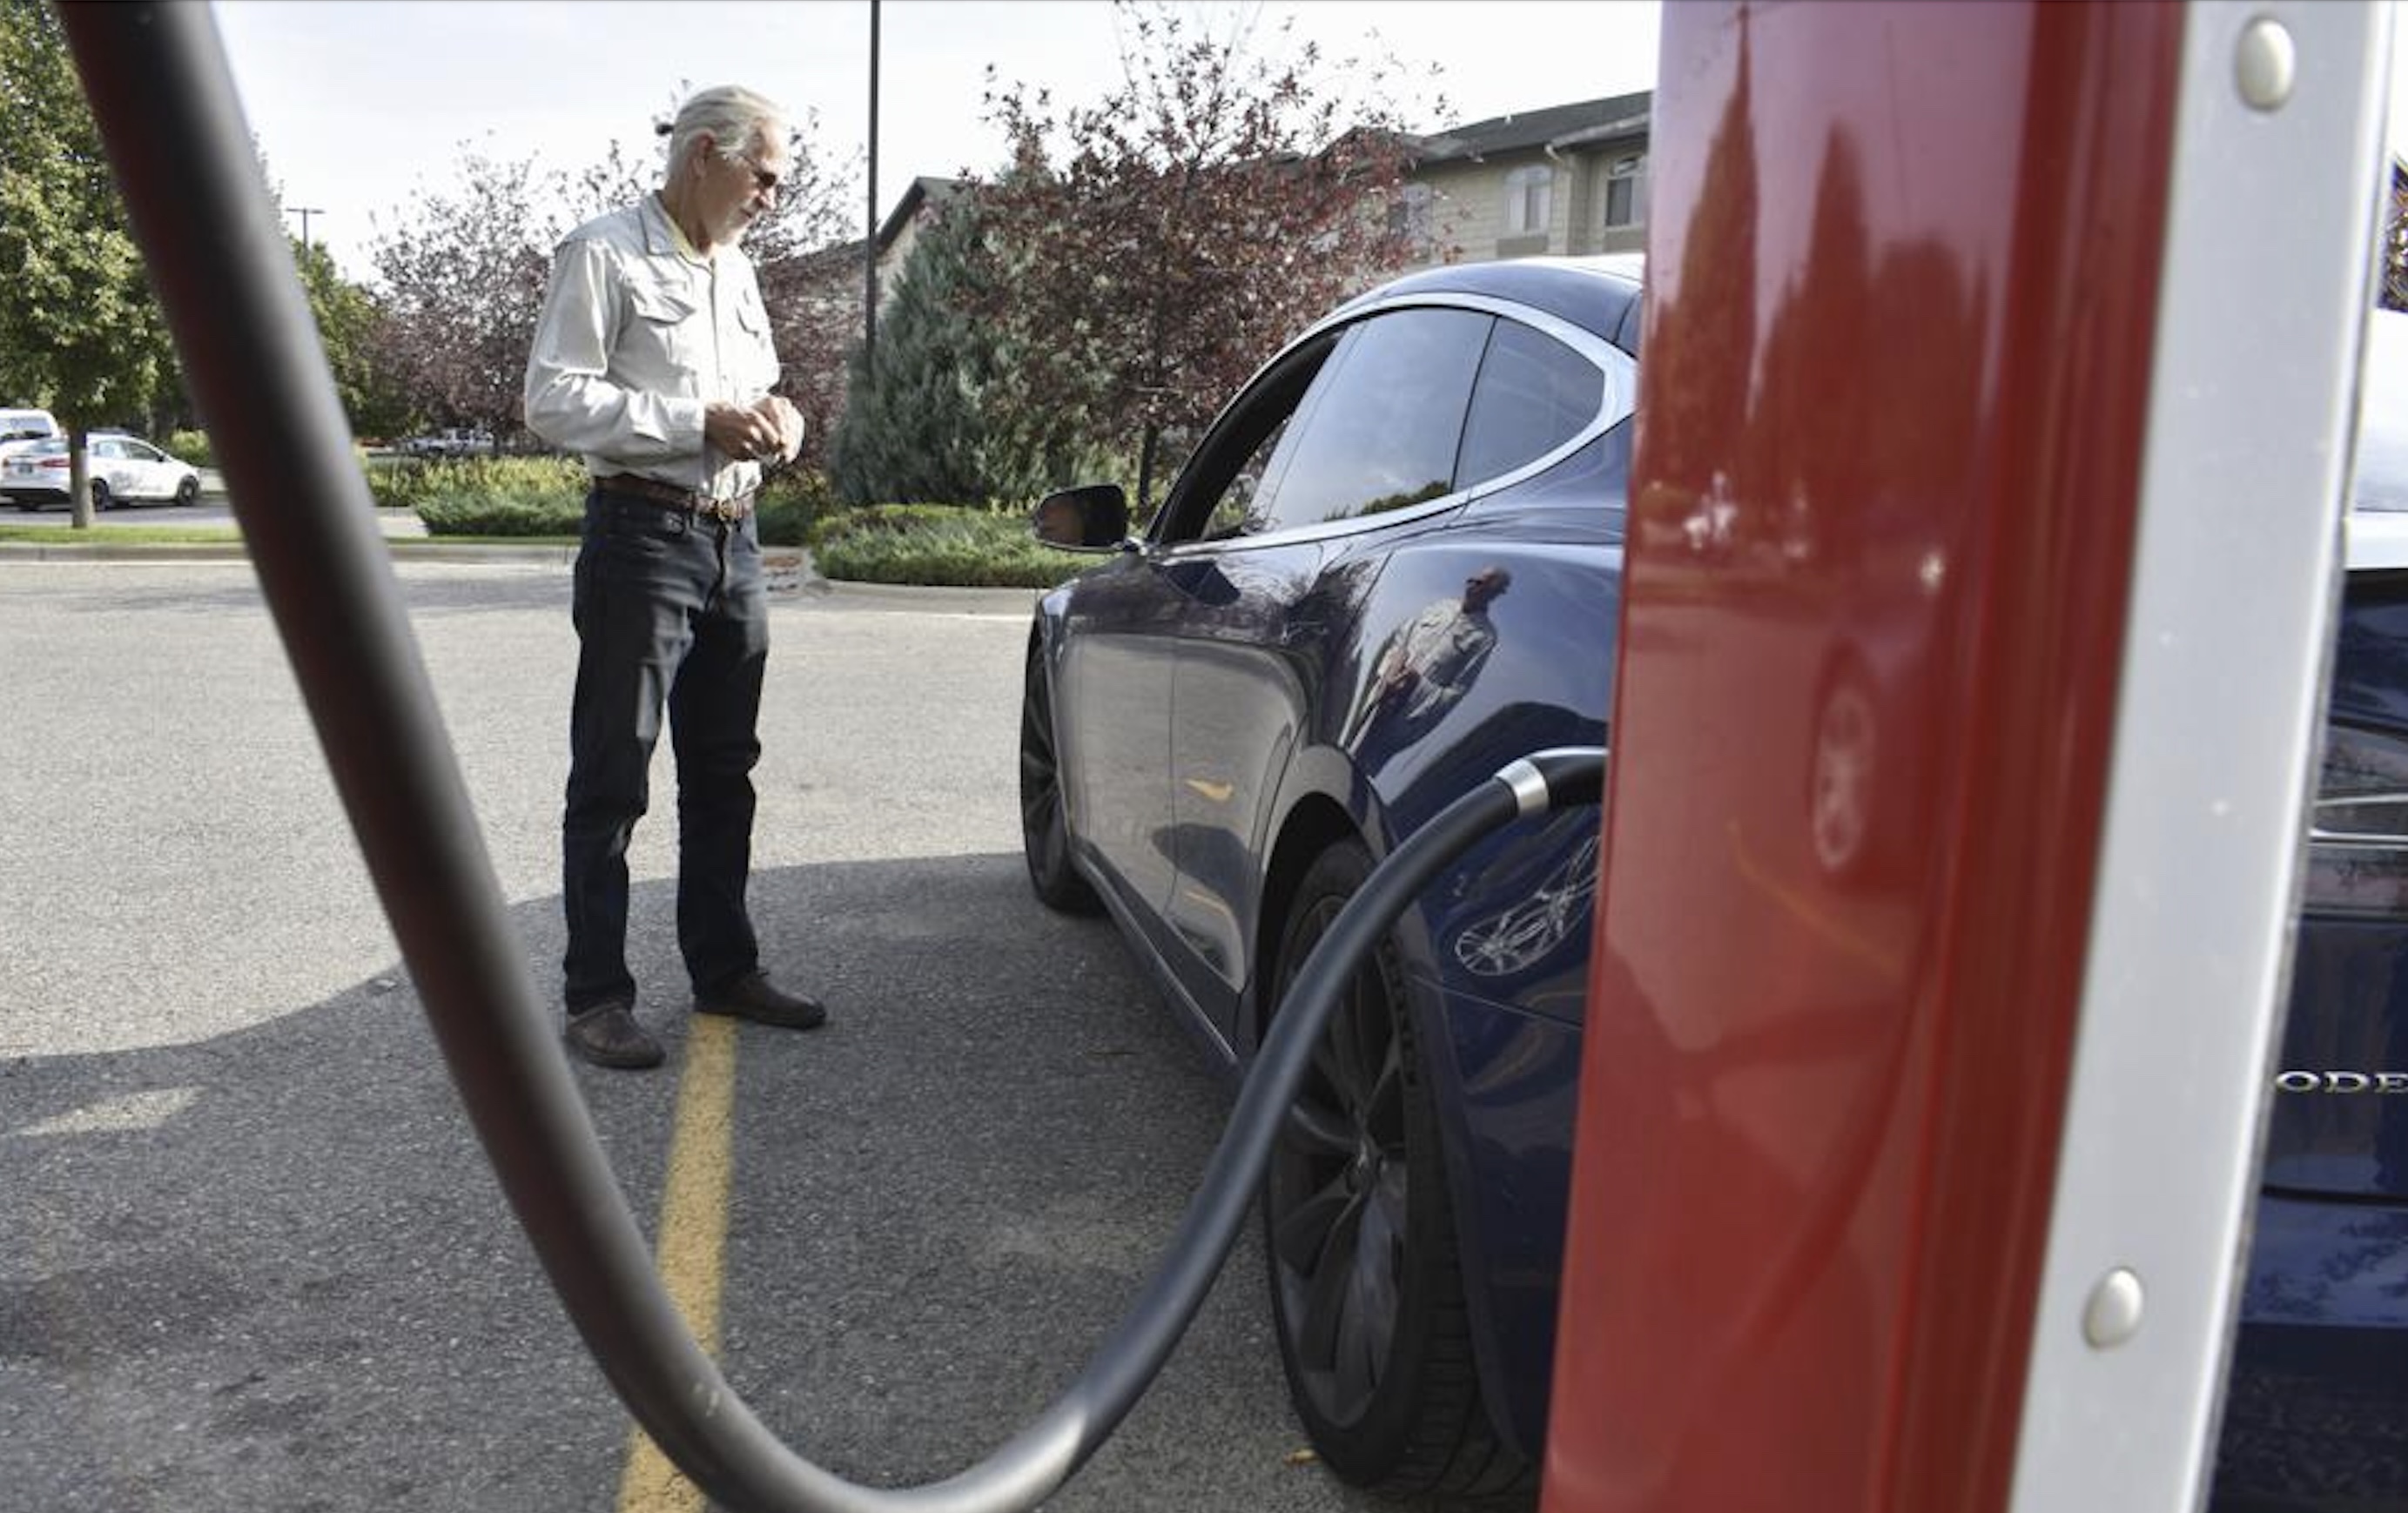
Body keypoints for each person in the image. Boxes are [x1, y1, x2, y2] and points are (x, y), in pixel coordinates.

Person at [524, 84, 823, 1070]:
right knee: (615, 772)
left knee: (724, 769)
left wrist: (784, 422)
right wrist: (695, 424)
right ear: (705, 154)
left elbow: (763, 388)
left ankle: (724, 970)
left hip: (735, 539)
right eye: (764, 175)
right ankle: (596, 998)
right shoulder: (603, 250)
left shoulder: (735, 269)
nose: (772, 196)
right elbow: (553, 398)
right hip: (641, 535)